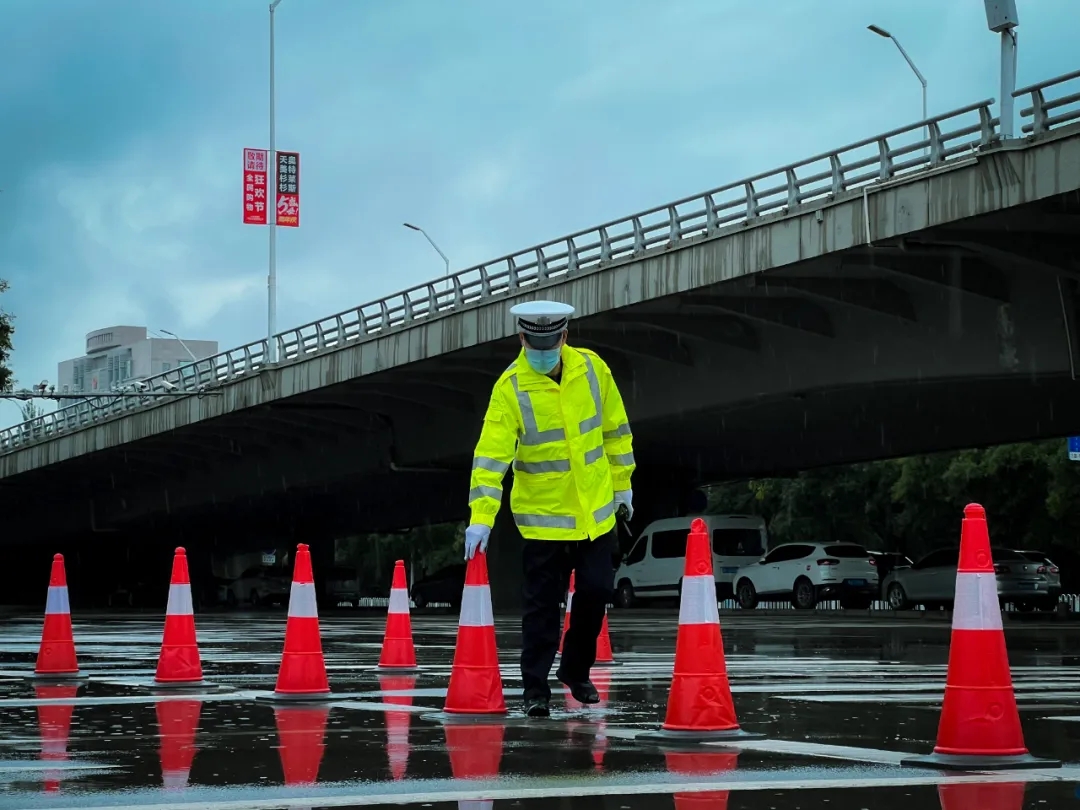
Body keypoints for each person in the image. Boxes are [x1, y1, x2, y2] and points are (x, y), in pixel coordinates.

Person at [463, 300, 636, 717]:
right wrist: (481, 518)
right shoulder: (510, 388)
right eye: (535, 342)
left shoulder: (593, 370)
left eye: (551, 341)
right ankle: (534, 689)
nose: (544, 350)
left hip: (595, 513)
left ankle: (576, 670)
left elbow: (615, 432)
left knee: (596, 591)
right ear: (522, 339)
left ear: (564, 337)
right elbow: (491, 458)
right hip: (542, 520)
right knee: (541, 608)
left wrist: (623, 486)